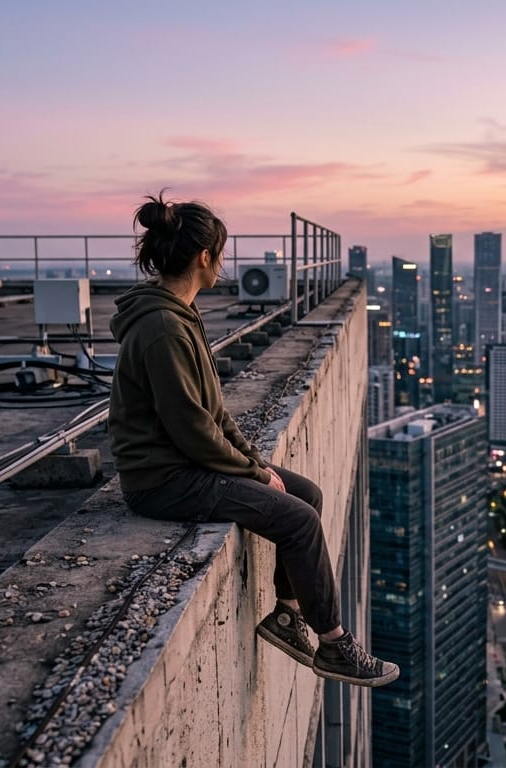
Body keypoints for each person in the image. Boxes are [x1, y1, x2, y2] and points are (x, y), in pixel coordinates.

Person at [107, 192, 398, 688]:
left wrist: (255, 463)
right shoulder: (163, 327)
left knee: (306, 494)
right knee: (299, 521)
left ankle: (287, 614)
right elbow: (190, 427)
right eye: (220, 254)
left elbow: (214, 413)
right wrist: (253, 474)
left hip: (184, 463)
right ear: (205, 257)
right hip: (162, 480)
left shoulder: (180, 315)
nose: (222, 264)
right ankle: (334, 645)